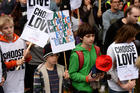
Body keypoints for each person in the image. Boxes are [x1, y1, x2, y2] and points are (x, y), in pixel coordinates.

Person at [69, 23, 104, 93]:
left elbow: (100, 65)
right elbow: (72, 74)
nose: (91, 38)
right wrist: (86, 78)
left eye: (93, 36)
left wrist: (102, 73)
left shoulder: (97, 49)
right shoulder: (76, 55)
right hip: (81, 89)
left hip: (94, 87)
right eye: (88, 36)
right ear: (81, 38)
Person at [0, 15, 31, 93]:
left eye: (11, 27)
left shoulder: (21, 41)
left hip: (20, 79)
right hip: (6, 80)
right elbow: (1, 66)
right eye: (6, 28)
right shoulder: (0, 44)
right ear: (1, 30)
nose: (9, 30)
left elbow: (27, 59)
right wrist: (15, 63)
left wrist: (27, 56)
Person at [107, 24, 137, 93]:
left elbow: (134, 64)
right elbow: (110, 69)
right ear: (126, 36)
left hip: (130, 85)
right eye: (132, 36)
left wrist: (133, 81)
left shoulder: (132, 45)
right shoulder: (112, 48)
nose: (134, 38)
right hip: (116, 88)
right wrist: (122, 85)